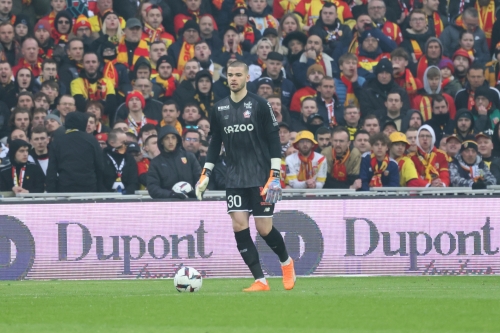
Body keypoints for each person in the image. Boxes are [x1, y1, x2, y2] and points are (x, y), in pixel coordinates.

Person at [195, 60, 295, 292]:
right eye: (230, 75)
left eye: (238, 75)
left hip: (261, 177)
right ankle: (260, 280)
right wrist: (205, 173)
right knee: (239, 225)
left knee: (264, 229)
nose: (233, 79)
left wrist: (275, 175)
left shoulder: (260, 105)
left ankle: (286, 262)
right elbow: (215, 143)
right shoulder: (219, 108)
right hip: (235, 178)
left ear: (247, 78)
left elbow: (273, 140)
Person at [45, 112, 104, 192]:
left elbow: (52, 169)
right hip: (89, 187)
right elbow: (100, 166)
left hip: (65, 188)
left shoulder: (58, 141)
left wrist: (51, 192)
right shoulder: (92, 140)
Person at [147, 125, 200, 199]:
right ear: (161, 141)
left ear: (178, 140)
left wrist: (195, 192)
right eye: (166, 138)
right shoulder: (156, 163)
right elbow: (153, 188)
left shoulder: (190, 157)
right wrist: (171, 195)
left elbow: (200, 179)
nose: (170, 141)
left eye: (173, 137)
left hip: (191, 203)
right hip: (166, 205)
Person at [102, 129, 138, 194]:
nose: (126, 145)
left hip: (127, 198)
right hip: (105, 198)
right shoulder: (102, 157)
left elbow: (133, 181)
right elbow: (99, 181)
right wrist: (108, 196)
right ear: (112, 143)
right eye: (123, 143)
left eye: (126, 143)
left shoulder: (129, 158)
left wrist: (126, 195)